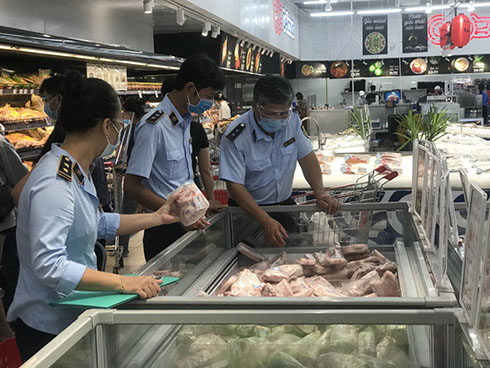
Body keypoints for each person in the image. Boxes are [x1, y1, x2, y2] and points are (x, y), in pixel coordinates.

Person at [7, 71, 180, 362]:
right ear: (105, 126)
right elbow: (49, 266)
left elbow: (97, 223)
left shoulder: (75, 168)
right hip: (48, 326)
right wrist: (125, 283)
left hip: (70, 311)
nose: (119, 132)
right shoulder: (55, 182)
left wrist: (157, 217)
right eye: (119, 125)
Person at [125, 55, 226, 262]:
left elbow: (180, 179)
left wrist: (202, 203)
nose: (211, 102)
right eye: (209, 95)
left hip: (189, 221)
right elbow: (132, 186)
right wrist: (178, 215)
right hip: (164, 227)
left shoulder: (184, 122)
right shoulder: (154, 126)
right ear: (190, 89)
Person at [219, 76, 340, 247]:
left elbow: (307, 158)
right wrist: (264, 219)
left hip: (284, 206)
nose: (278, 119)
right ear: (255, 106)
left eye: (283, 113)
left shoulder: (292, 121)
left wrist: (319, 193)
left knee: (290, 262)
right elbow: (234, 185)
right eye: (271, 114)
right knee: (247, 264)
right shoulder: (235, 136)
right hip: (247, 213)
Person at [0, 133, 28, 311]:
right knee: (10, 275)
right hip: (5, 223)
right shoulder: (1, 143)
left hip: (4, 223)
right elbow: (21, 177)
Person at [118, 97, 146, 257]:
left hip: (132, 174)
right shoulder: (147, 127)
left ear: (129, 113)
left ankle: (124, 247)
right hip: (147, 175)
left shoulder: (127, 131)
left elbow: (121, 153)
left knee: (127, 211)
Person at [36, 75, 65, 163]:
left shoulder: (65, 127)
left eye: (46, 100)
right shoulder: (64, 122)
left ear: (59, 98)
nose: (46, 105)